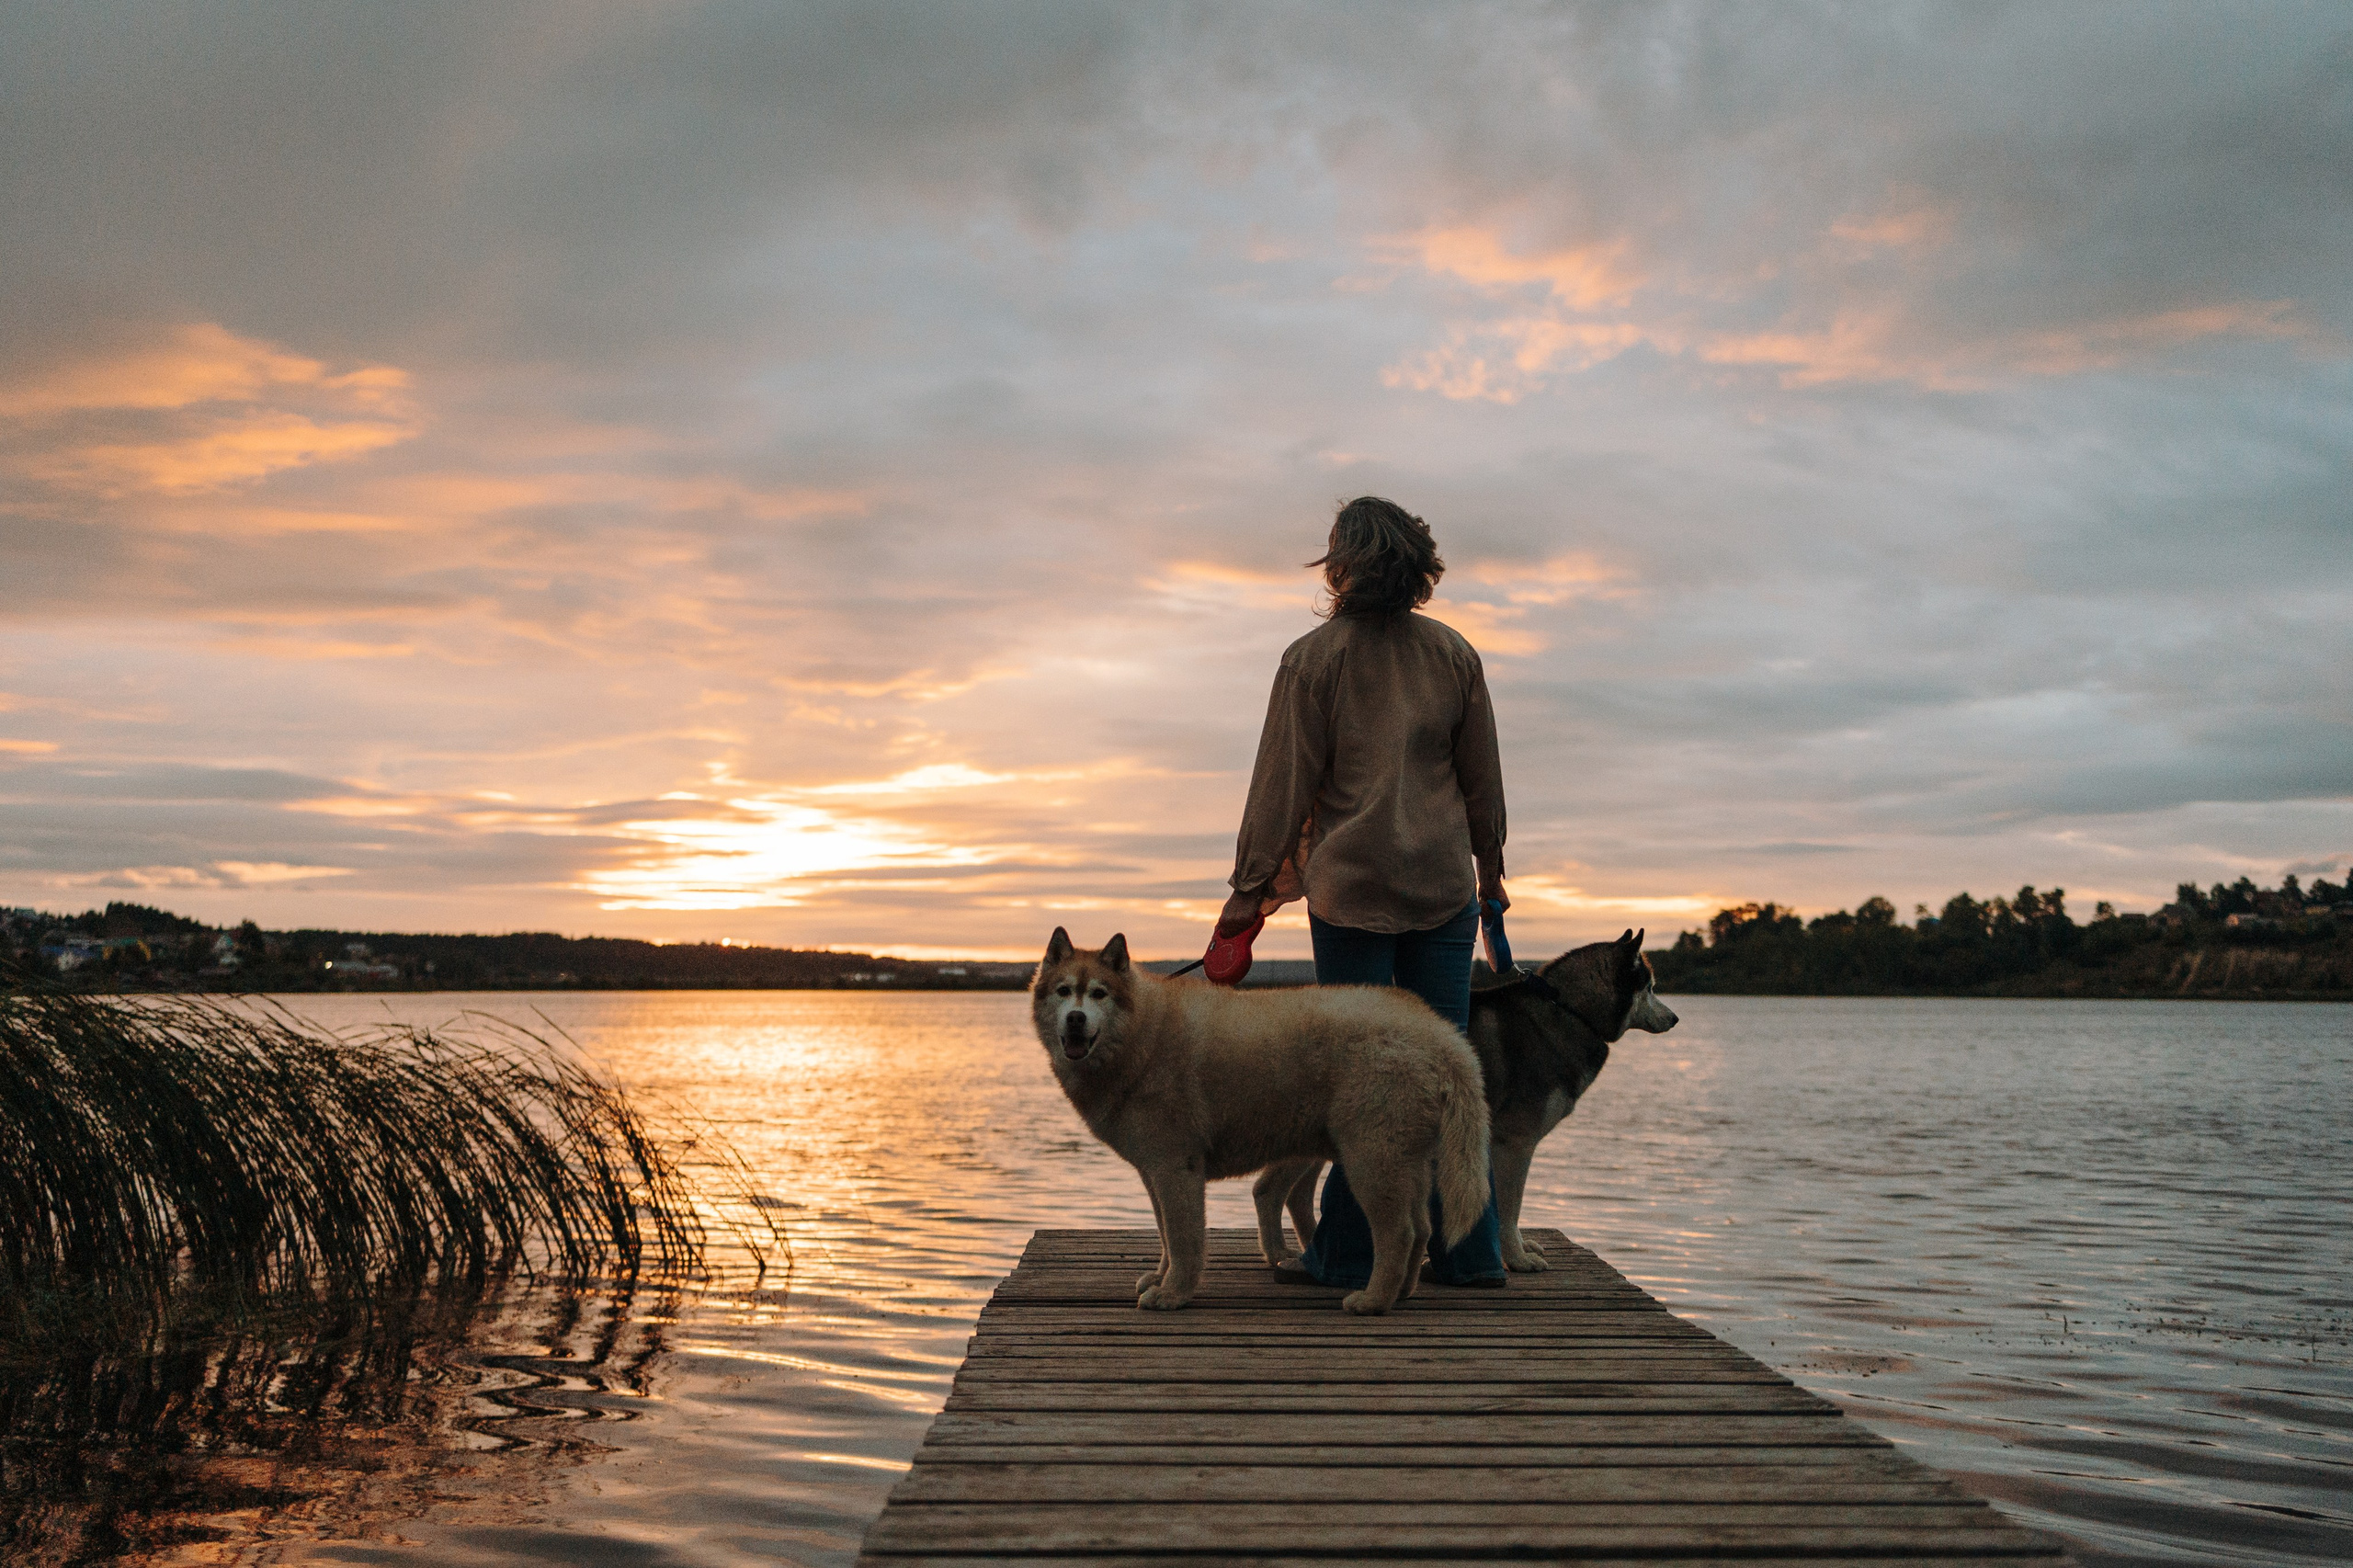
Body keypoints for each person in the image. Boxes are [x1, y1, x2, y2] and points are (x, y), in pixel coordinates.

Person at [1217, 494, 1507, 1288]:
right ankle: (1467, 1255)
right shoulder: (1454, 654)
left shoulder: (1312, 660)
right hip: (1443, 892)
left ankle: (1347, 1256)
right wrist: (1492, 876)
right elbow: (1482, 786)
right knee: (1444, 1073)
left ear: (1341, 564)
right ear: (1418, 565)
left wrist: (1249, 890)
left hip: (1350, 895)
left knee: (1357, 1082)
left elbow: (1280, 786)